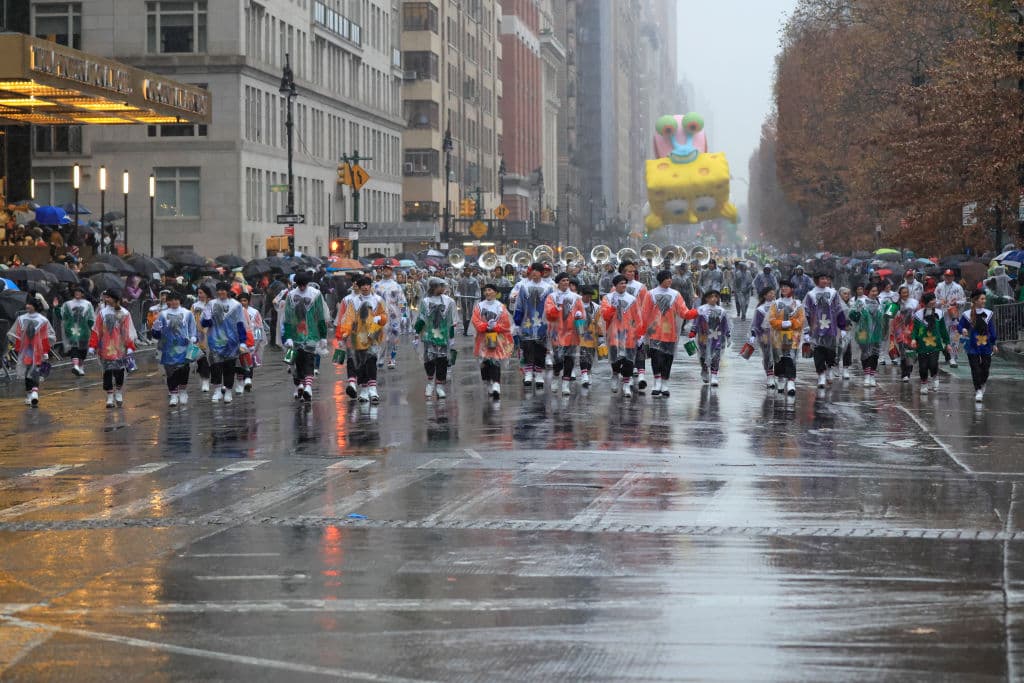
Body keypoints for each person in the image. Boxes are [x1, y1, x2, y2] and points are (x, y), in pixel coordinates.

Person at [641, 269, 698, 397]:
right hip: (654, 332)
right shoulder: (650, 294)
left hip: (670, 333)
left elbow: (684, 312)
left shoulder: (675, 294)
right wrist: (642, 332)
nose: (670, 280)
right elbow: (644, 314)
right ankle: (657, 383)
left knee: (667, 359)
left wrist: (696, 312)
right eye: (667, 278)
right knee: (656, 358)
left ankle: (665, 384)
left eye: (670, 277)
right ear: (661, 279)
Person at [336, 275, 387, 403]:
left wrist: (379, 319)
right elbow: (348, 318)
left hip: (373, 335)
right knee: (361, 364)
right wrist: (345, 333)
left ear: (370, 286)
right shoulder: (354, 301)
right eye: (362, 285)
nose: (365, 287)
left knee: (371, 361)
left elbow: (384, 315)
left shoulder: (378, 300)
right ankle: (364, 390)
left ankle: (373, 389)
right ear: (359, 287)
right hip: (357, 337)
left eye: (367, 285)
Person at [282, 271, 329, 402]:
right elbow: (287, 317)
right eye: (299, 285)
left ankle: (308, 386)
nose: (302, 287)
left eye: (304, 285)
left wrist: (323, 336)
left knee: (309, 360)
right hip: (295, 335)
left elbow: (320, 316)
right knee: (296, 362)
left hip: (311, 335)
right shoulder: (291, 295)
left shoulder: (315, 294)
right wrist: (288, 336)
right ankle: (299, 385)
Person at [200, 282, 252, 403]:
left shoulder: (236, 305)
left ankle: (228, 391)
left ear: (228, 291)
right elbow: (204, 324)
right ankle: (217, 390)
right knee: (215, 367)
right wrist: (206, 318)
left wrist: (243, 341)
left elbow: (240, 324)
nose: (221, 292)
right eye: (219, 290)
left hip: (231, 343)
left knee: (229, 368)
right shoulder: (211, 304)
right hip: (215, 342)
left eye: (223, 290)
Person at [88, 289, 137, 408]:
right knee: (107, 372)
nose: (106, 299)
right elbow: (96, 330)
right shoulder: (102, 313)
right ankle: (110, 396)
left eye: (108, 297)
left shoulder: (125, 313)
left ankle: (119, 392)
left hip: (120, 348)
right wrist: (92, 345)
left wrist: (130, 346)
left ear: (115, 298)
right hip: (105, 347)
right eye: (105, 297)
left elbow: (128, 331)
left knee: (119, 372)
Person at [151, 290, 198, 406]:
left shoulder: (187, 313)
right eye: (171, 300)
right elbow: (157, 334)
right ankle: (173, 394)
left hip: (184, 346)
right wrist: (155, 329)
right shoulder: (163, 314)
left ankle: (182, 391)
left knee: (184, 370)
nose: (174, 302)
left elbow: (192, 329)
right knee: (170, 371)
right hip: (168, 347)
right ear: (168, 301)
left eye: (176, 299)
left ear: (180, 300)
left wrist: (193, 338)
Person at [601, 274, 643, 397]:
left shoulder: (632, 299)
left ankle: (626, 384)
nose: (624, 285)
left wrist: (640, 334)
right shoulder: (607, 298)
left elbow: (638, 317)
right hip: (613, 333)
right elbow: (605, 316)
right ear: (615, 285)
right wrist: (613, 307)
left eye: (625, 283)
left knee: (629, 360)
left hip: (629, 334)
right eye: (621, 283)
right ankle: (614, 374)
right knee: (615, 360)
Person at [802, 273, 847, 388]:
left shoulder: (833, 293)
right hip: (816, 329)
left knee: (831, 352)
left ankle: (829, 368)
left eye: (826, 278)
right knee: (818, 352)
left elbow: (838, 309)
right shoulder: (810, 295)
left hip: (830, 328)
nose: (825, 280)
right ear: (817, 280)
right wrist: (806, 331)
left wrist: (842, 327)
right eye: (822, 278)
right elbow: (805, 313)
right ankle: (821, 375)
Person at [415, 277, 457, 399]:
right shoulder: (425, 301)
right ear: (433, 287)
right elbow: (421, 318)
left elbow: (452, 321)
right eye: (440, 286)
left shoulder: (450, 302)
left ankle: (439, 385)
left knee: (442, 360)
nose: (443, 288)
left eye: (444, 286)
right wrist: (416, 333)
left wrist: (451, 337)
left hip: (443, 336)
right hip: (429, 335)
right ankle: (429, 383)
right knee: (429, 360)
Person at [513, 263, 553, 388]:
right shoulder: (524, 287)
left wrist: (551, 322)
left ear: (542, 273)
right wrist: (517, 323)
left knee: (540, 349)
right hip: (527, 322)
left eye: (538, 271)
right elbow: (519, 305)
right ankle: (528, 373)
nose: (535, 273)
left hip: (542, 323)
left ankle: (539, 373)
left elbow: (551, 306)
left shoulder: (548, 288)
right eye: (533, 270)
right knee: (528, 348)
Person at [9, 299, 55, 406]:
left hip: (37, 350)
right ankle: (31, 394)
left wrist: (45, 350)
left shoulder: (43, 320)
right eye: (27, 304)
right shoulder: (21, 319)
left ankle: (33, 393)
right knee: (28, 371)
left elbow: (45, 337)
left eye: (30, 304)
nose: (27, 306)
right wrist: (18, 347)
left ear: (35, 306)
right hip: (26, 350)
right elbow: (17, 335)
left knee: (34, 371)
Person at [545, 272, 585, 395]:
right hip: (557, 332)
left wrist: (580, 316)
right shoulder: (551, 297)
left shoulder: (576, 297)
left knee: (569, 358)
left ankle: (566, 384)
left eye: (567, 280)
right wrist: (556, 308)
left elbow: (581, 313)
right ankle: (556, 376)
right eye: (563, 280)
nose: (566, 283)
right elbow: (548, 314)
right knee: (557, 358)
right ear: (558, 283)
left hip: (572, 332)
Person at [471, 282, 513, 399]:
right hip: (482, 338)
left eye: (490, 290)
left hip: (496, 337)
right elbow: (475, 320)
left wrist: (495, 327)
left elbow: (506, 323)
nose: (487, 292)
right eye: (486, 290)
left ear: (495, 292)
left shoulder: (501, 307)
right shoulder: (479, 306)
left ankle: (496, 383)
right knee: (484, 361)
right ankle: (487, 381)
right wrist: (485, 326)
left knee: (495, 360)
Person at [958, 289, 998, 403]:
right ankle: (978, 390)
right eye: (982, 298)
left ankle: (983, 382)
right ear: (975, 300)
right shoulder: (967, 314)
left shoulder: (988, 314)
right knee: (975, 369)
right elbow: (960, 326)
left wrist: (994, 343)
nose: (984, 300)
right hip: (972, 346)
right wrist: (963, 329)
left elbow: (992, 330)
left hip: (986, 345)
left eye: (985, 298)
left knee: (985, 368)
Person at [768, 280, 805, 397]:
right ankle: (780, 380)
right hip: (778, 337)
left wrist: (791, 323)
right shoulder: (775, 304)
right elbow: (771, 319)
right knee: (779, 359)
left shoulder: (798, 304)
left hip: (793, 337)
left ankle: (790, 382)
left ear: (792, 289)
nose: (784, 289)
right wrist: (781, 324)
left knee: (791, 358)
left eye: (786, 287)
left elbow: (801, 319)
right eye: (782, 287)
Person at [912, 292, 950, 395]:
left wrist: (947, 343)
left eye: (934, 299)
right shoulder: (918, 314)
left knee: (933, 364)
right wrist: (914, 339)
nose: (934, 301)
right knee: (923, 367)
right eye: (931, 300)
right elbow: (915, 329)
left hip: (935, 345)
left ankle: (934, 376)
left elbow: (943, 329)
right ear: (926, 302)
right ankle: (924, 383)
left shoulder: (939, 313)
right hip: (922, 345)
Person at [692, 290, 731, 386]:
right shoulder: (701, 310)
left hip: (716, 337)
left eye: (716, 297)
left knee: (716, 356)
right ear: (706, 298)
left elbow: (725, 325)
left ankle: (714, 376)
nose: (714, 299)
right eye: (711, 297)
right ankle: (704, 370)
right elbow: (696, 323)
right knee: (703, 355)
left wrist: (728, 335)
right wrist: (692, 333)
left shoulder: (722, 311)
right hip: (703, 337)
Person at [850, 283, 886, 387]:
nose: (875, 293)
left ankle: (872, 376)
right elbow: (852, 315)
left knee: (875, 354)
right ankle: (866, 375)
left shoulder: (880, 303)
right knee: (866, 353)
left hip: (876, 333)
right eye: (872, 291)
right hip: (863, 333)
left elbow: (885, 316)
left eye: (876, 291)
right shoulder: (860, 302)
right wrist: (857, 312)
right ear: (868, 292)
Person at [373, 265, 407, 369]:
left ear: (391, 271)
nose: (386, 271)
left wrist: (404, 315)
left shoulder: (396, 286)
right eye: (384, 269)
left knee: (394, 338)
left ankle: (392, 359)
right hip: (381, 315)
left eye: (388, 269)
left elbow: (402, 301)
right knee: (382, 338)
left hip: (394, 316)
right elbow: (372, 300)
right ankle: (381, 358)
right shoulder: (376, 286)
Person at [59, 285, 94, 377]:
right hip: (72, 329)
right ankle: (75, 366)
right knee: (74, 347)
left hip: (84, 329)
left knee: (83, 349)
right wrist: (56, 308)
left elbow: (91, 316)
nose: (77, 293)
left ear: (82, 294)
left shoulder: (87, 304)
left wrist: (91, 326)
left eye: (79, 292)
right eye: (75, 292)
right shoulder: (68, 304)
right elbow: (63, 315)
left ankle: (81, 366)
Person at [935, 269, 966, 368]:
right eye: (946, 276)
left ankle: (953, 358)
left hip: (954, 316)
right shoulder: (939, 286)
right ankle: (945, 353)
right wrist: (940, 302)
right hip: (942, 315)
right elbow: (934, 299)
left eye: (950, 276)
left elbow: (964, 300)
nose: (947, 278)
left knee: (955, 337)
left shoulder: (958, 287)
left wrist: (956, 303)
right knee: (941, 336)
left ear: (953, 277)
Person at [236, 292, 266, 393]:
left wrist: (256, 342)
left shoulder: (254, 312)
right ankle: (240, 383)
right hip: (239, 340)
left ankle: (248, 380)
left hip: (251, 341)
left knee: (250, 361)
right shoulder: (235, 311)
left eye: (244, 300)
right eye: (240, 301)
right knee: (239, 362)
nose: (242, 303)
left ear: (248, 301)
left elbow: (258, 327)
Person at [890, 284, 919, 383]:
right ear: (900, 294)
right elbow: (890, 314)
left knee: (910, 351)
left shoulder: (914, 302)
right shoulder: (896, 303)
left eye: (907, 292)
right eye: (903, 293)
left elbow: (918, 315)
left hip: (912, 328)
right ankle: (904, 373)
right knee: (903, 351)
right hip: (899, 328)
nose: (905, 294)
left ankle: (909, 370)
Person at [750, 286, 776, 389]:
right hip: (765, 336)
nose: (772, 295)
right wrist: (754, 335)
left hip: (778, 335)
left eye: (773, 293)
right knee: (767, 356)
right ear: (765, 295)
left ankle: (776, 375)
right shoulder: (760, 309)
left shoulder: (779, 305)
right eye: (769, 293)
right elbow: (756, 324)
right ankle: (769, 376)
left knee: (778, 356)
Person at [577, 285, 602, 388]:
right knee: (583, 353)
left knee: (590, 355)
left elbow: (599, 322)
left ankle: (588, 372)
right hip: (580, 334)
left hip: (592, 335)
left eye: (590, 296)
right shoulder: (577, 305)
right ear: (582, 295)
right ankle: (584, 375)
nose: (588, 297)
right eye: (586, 295)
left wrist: (601, 337)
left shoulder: (596, 307)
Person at [191, 286, 213, 392]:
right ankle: (204, 379)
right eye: (198, 293)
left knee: (211, 358)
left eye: (202, 293)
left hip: (211, 335)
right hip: (197, 335)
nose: (200, 295)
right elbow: (190, 319)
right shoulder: (194, 306)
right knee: (200, 357)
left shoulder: (213, 304)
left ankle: (207, 378)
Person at [456, 269, 482, 336]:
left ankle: (470, 329)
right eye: (466, 271)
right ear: (464, 272)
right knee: (464, 315)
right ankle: (465, 329)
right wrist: (458, 294)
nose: (467, 272)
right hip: (463, 301)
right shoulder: (461, 281)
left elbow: (477, 289)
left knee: (471, 315)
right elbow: (457, 290)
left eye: (469, 271)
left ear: (470, 272)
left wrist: (477, 296)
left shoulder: (474, 280)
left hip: (471, 300)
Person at [836, 287, 854, 380]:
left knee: (847, 349)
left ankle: (846, 369)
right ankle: (835, 366)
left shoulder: (851, 304)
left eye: (848, 293)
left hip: (848, 329)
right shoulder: (836, 304)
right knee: (838, 349)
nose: (847, 295)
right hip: (838, 330)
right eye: (844, 293)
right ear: (840, 294)